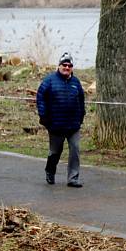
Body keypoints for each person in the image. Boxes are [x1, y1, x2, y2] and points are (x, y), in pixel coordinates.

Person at [36, 52, 86, 187]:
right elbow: (40, 97)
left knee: (75, 150)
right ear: (59, 66)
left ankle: (73, 178)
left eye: (70, 65)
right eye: (64, 65)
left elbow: (81, 100)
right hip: (56, 125)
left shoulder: (76, 82)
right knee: (55, 152)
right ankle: (50, 171)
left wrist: (81, 116)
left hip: (73, 125)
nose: (67, 67)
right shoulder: (49, 80)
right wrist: (44, 116)